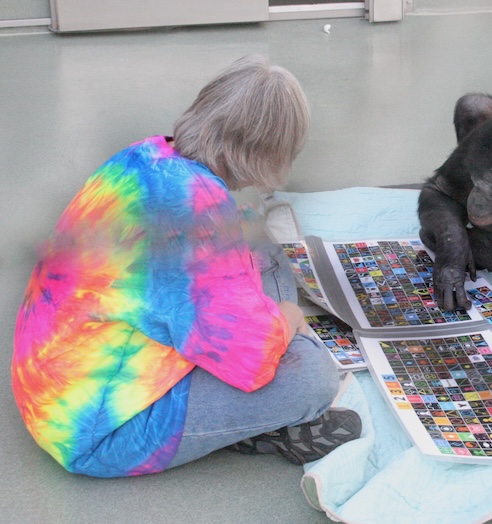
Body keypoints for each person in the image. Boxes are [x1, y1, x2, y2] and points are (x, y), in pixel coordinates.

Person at [11, 55, 360, 478]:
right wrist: (288, 318)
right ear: (267, 151)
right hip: (98, 432)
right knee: (312, 378)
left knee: (264, 251)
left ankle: (237, 421)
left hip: (56, 383)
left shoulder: (146, 153)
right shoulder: (199, 208)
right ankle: (259, 429)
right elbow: (251, 359)